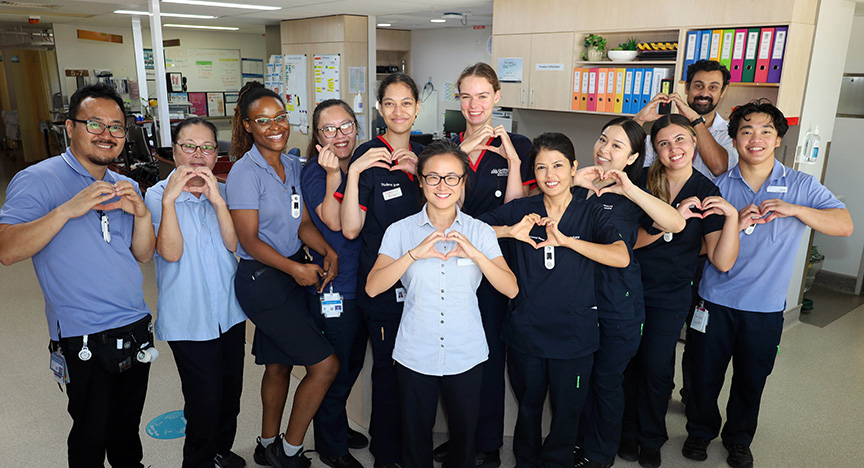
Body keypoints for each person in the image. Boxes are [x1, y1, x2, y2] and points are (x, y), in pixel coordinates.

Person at [682, 100, 852, 468]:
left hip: (765, 307)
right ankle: (699, 430)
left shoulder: (801, 185)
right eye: (745, 131)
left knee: (752, 377)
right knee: (703, 372)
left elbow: (844, 224)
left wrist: (796, 210)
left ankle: (739, 439)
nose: (755, 138)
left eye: (765, 131)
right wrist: (734, 223)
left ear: (777, 139)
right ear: (734, 139)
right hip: (714, 300)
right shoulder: (716, 185)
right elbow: (692, 246)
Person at [0, 82, 156, 467]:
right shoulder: (38, 179)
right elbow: (6, 250)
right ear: (70, 128)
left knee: (126, 431)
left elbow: (142, 253)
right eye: (95, 124)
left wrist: (143, 215)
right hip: (81, 335)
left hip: (134, 325)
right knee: (89, 435)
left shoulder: (126, 184)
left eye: (117, 126)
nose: (107, 134)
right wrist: (67, 210)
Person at [481, 133, 630, 468]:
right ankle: (526, 461)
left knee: (567, 411)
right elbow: (467, 229)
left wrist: (567, 242)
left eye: (559, 165)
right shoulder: (522, 209)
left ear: (574, 168)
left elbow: (621, 256)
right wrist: (509, 231)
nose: (551, 174)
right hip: (526, 330)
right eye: (542, 166)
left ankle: (557, 462)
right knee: (529, 405)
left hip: (574, 334)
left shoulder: (591, 212)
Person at [366, 140, 518, 468]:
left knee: (464, 443)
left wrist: (476, 253)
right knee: (415, 441)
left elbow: (511, 289)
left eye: (452, 177)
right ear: (420, 181)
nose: (442, 185)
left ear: (463, 182)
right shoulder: (401, 231)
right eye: (433, 177)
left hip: (466, 353)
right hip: (415, 353)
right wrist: (413, 254)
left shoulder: (480, 232)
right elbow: (374, 287)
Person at [226, 81, 339, 468]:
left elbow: (303, 222)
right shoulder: (245, 172)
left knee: (278, 364)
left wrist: (327, 250)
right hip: (263, 280)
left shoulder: (292, 164)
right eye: (263, 121)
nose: (275, 126)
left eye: (280, 118)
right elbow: (249, 240)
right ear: (247, 126)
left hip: (290, 273)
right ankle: (290, 452)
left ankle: (266, 443)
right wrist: (296, 268)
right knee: (325, 366)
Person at [618, 114, 740, 468]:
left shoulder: (706, 191)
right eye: (664, 143)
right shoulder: (639, 181)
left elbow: (720, 258)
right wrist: (670, 222)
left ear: (694, 142)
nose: (675, 149)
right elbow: (626, 243)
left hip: (670, 293)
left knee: (657, 367)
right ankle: (625, 430)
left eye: (681, 140)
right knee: (624, 363)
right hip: (627, 286)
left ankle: (651, 437)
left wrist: (732, 219)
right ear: (654, 150)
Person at [433, 61, 535, 468]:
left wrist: (510, 159)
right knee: (453, 354)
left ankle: (487, 443)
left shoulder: (520, 146)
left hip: (492, 263)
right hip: (450, 262)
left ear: (497, 96)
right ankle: (462, 439)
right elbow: (441, 204)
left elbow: (514, 209)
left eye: (482, 95)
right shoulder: (446, 147)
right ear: (458, 99)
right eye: (465, 96)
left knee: (489, 356)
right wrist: (462, 155)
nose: (473, 105)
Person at [573, 117, 686, 468]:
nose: (605, 150)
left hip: (617, 309)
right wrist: (573, 182)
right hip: (577, 305)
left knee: (606, 382)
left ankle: (599, 455)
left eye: (617, 146)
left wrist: (629, 188)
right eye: (603, 140)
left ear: (633, 157)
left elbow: (676, 224)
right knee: (580, 382)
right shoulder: (574, 188)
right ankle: (577, 445)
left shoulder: (635, 196)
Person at [143, 117, 247, 468]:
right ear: (174, 151)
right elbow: (170, 252)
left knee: (230, 394)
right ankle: (199, 461)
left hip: (230, 314)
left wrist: (218, 201)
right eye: (189, 146)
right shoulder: (157, 196)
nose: (198, 155)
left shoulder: (223, 190)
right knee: (203, 401)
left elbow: (234, 245)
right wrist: (172, 202)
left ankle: (220, 451)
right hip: (189, 318)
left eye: (207, 148)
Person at [335, 72, 426, 468]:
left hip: (428, 283)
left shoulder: (430, 154)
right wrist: (355, 172)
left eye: (406, 102)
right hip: (384, 287)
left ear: (418, 107)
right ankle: (387, 452)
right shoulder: (367, 156)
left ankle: (415, 449)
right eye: (389, 103)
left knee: (421, 374)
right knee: (388, 371)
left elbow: (455, 210)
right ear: (378, 109)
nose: (398, 111)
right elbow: (352, 227)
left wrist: (420, 170)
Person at [300, 99, 369, 468]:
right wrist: (334, 177)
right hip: (335, 289)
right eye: (329, 129)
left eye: (346, 126)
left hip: (362, 283)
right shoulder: (316, 172)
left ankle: (336, 425)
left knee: (352, 363)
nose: (339, 135)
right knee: (335, 369)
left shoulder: (361, 163)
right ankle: (331, 445)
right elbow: (336, 222)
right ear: (316, 136)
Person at [635, 60, 737, 181]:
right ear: (687, 88)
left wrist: (696, 120)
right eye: (698, 86)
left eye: (713, 87)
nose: (704, 93)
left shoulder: (730, 132)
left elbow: (719, 168)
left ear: (722, 91)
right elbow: (630, 163)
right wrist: (638, 120)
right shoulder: (666, 130)